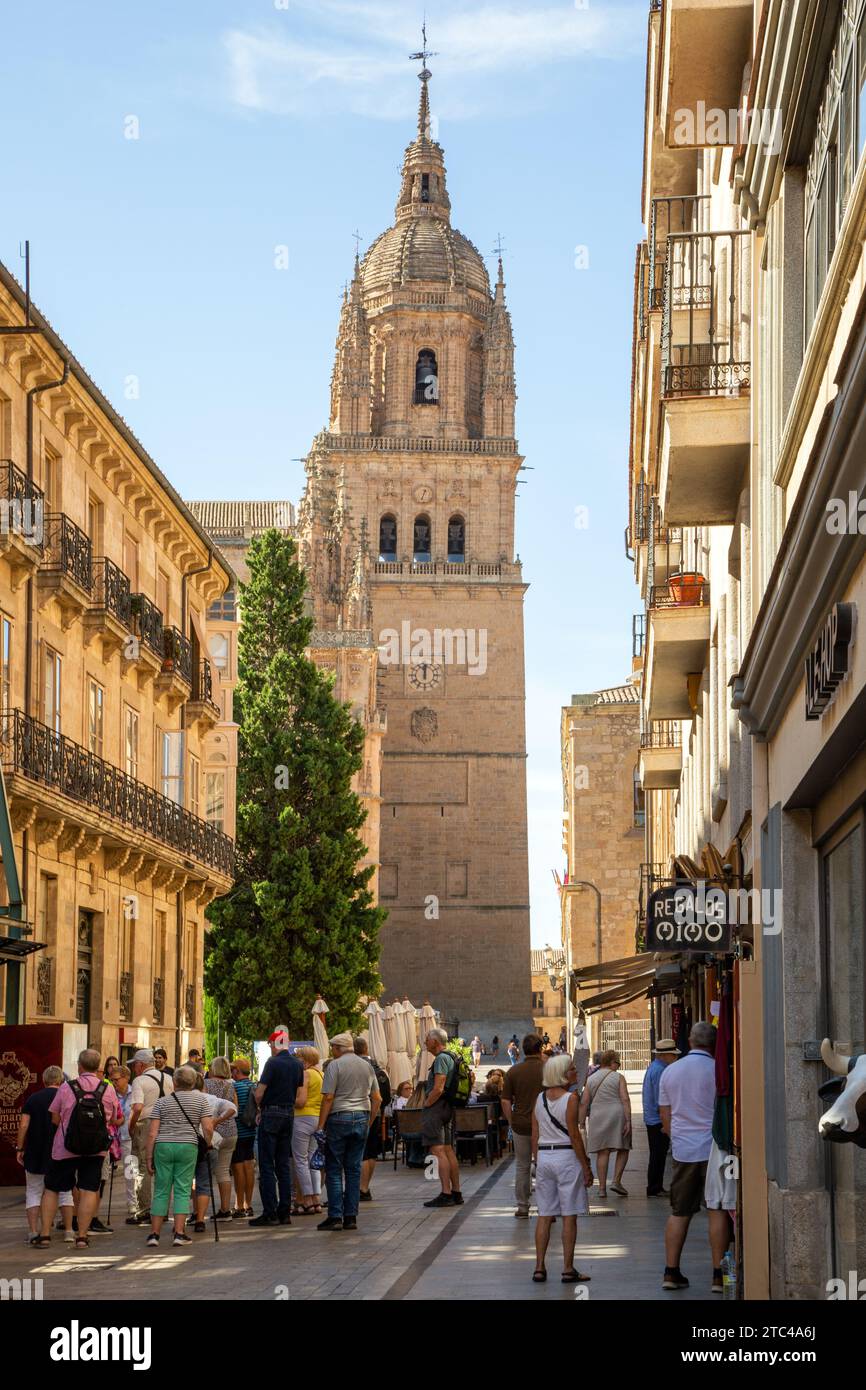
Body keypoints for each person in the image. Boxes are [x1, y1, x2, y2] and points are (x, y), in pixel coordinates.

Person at [658, 1021, 725, 1292]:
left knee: (680, 1211)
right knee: (717, 1209)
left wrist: (678, 1138)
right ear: (714, 1043)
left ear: (689, 1040)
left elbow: (665, 1116)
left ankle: (671, 1272)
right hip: (714, 1149)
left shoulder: (671, 1072)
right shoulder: (718, 1070)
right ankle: (718, 1276)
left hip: (684, 1150)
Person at [35, 1049, 121, 1250]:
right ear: (99, 1067)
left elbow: (55, 1117)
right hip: (95, 1149)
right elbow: (115, 1117)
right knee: (89, 1189)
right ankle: (82, 1236)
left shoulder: (66, 1087)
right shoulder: (107, 1089)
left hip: (65, 1147)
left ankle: (45, 1235)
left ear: (79, 1065)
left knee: (52, 1189)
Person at [531, 1054, 594, 1283]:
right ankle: (567, 1268)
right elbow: (575, 1134)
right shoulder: (570, 1098)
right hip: (566, 1156)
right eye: (572, 1070)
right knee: (569, 1215)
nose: (576, 1073)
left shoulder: (539, 1099)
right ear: (562, 1074)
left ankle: (539, 1266)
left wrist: (538, 1161)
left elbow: (535, 1134)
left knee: (544, 1214)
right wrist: (586, 1166)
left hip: (545, 1156)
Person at [145, 1065, 214, 1248]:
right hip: (187, 1146)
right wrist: (208, 1144)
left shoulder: (162, 1102)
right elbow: (208, 1127)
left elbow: (152, 1132)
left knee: (161, 1190)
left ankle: (154, 1234)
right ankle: (179, 1233)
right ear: (193, 1082)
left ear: (175, 1082)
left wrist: (148, 1156)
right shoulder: (201, 1101)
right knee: (183, 1190)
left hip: (163, 1146)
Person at [317, 1032, 380, 1231]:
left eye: (332, 1048)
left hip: (339, 1117)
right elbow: (377, 1098)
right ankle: (351, 1216)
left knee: (334, 1168)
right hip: (361, 1116)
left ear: (337, 1048)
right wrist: (368, 1121)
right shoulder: (367, 1065)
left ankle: (335, 1216)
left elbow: (328, 1097)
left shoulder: (335, 1065)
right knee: (353, 1169)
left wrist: (320, 1125)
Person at [250, 1025, 306, 1227]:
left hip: (271, 1112)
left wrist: (259, 1108)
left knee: (266, 1164)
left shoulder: (272, 1063)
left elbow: (259, 1092)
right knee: (283, 1163)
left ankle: (270, 1212)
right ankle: (285, 1212)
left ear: (275, 1044)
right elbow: (299, 1091)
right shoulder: (298, 1064)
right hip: (288, 1114)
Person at [15, 1066, 74, 1244]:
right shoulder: (66, 1096)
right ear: (61, 1080)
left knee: (33, 1191)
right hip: (61, 1151)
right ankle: (69, 1231)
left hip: (35, 1152)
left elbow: (24, 1125)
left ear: (44, 1080)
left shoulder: (33, 1099)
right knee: (65, 1191)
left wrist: (19, 1148)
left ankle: (34, 1231)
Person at [127, 1049, 173, 1224]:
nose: (134, 1069)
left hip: (146, 1123)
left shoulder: (139, 1080)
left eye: (134, 1065)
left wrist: (131, 1126)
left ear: (141, 1064)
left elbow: (137, 1107)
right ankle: (162, 1210)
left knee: (142, 1168)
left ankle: (145, 1210)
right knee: (163, 1167)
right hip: (166, 1124)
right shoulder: (168, 1078)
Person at [579, 1049, 632, 1198]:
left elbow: (584, 1103)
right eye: (617, 1063)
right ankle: (616, 1181)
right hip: (617, 1114)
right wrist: (628, 1120)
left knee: (603, 1151)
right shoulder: (618, 1077)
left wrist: (581, 1123)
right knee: (624, 1147)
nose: (619, 1066)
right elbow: (625, 1099)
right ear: (611, 1062)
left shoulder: (591, 1079)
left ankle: (602, 1188)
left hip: (597, 1115)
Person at [502, 1034, 544, 1219]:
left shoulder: (513, 1071)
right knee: (544, 1166)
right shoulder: (548, 1069)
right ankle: (546, 1207)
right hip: (545, 1125)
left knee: (522, 1166)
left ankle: (522, 1206)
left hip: (520, 1124)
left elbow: (505, 1100)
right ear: (540, 1049)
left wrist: (511, 1121)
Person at [190, 1070, 237, 1232]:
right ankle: (200, 1219)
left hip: (187, 1143)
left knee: (188, 1181)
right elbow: (232, 1108)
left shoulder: (180, 1098)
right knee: (204, 1181)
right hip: (207, 1144)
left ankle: (193, 1213)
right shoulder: (211, 1099)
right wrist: (217, 1120)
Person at [421, 1027, 462, 1209]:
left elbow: (438, 1087)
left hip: (437, 1108)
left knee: (438, 1151)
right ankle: (456, 1192)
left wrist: (427, 1104)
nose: (424, 1042)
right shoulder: (452, 1056)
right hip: (447, 1107)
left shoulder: (441, 1059)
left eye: (427, 1039)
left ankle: (446, 1193)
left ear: (435, 1042)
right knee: (448, 1150)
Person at [354, 1036, 390, 1203]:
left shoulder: (357, 1068)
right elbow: (387, 1098)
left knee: (361, 1154)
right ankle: (365, 1187)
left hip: (360, 1114)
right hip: (376, 1115)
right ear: (367, 1049)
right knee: (371, 1153)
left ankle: (360, 1189)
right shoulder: (380, 1070)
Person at [642, 1039, 679, 1196]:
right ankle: (654, 1187)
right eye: (673, 1055)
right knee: (658, 1154)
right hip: (657, 1120)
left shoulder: (655, 1067)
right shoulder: (660, 1071)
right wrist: (666, 1122)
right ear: (666, 1055)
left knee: (657, 1154)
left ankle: (655, 1186)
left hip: (653, 1118)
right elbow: (661, 1100)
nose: (675, 1058)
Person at [203, 1057, 238, 1219]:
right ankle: (225, 1209)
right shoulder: (231, 1085)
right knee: (224, 1171)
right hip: (231, 1131)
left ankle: (198, 1211)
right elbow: (235, 1108)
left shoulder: (206, 1084)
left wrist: (214, 1122)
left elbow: (202, 1106)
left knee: (202, 1172)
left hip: (213, 1132)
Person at [291, 1046, 324, 1216]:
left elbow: (301, 1101)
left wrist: (289, 1099)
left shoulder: (305, 1074)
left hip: (302, 1118)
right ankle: (317, 1199)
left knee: (300, 1160)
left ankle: (308, 1199)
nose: (297, 1060)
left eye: (298, 1057)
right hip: (317, 1118)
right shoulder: (320, 1074)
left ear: (305, 1060)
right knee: (313, 1160)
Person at [108, 1063, 137, 1222]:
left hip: (128, 1136)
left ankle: (132, 1201)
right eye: (111, 1079)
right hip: (113, 1137)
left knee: (130, 1169)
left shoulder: (135, 1093)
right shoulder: (110, 1093)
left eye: (116, 1079)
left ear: (126, 1078)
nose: (113, 1083)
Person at [229, 1058, 256, 1218]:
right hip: (251, 1131)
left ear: (236, 1071)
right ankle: (249, 1203)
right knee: (249, 1166)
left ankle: (239, 1204)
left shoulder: (234, 1087)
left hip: (238, 1131)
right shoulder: (253, 1085)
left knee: (238, 1167)